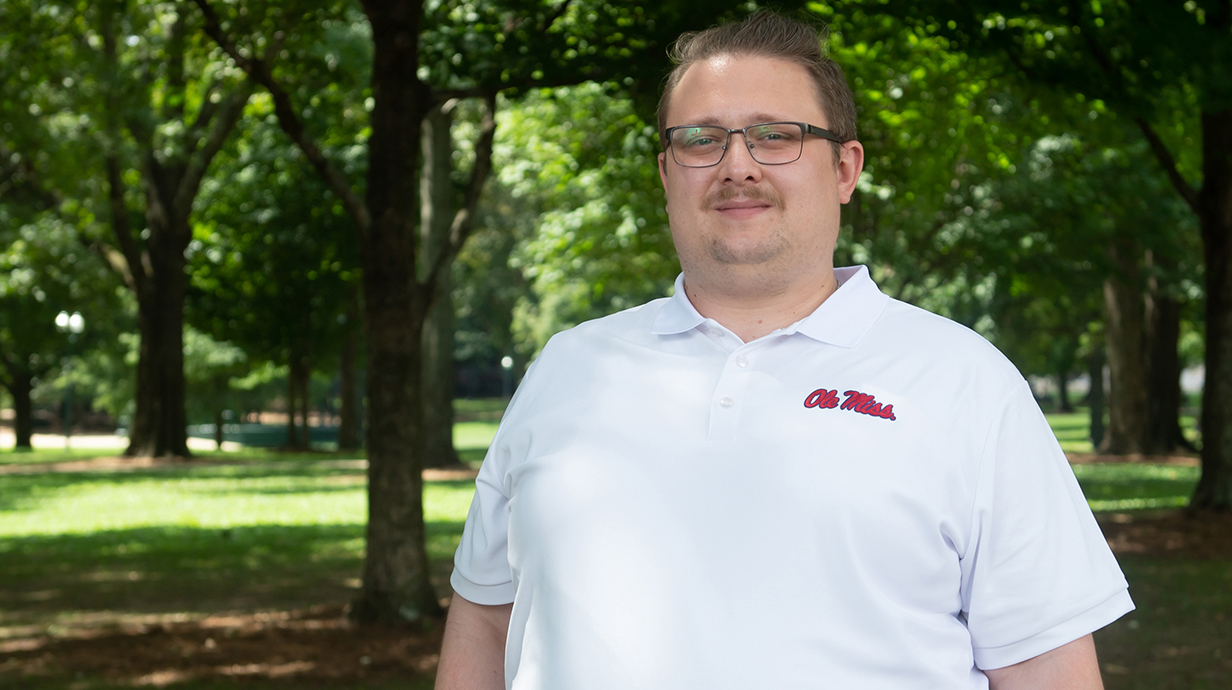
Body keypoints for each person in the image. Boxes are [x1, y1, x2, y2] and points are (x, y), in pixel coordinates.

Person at [436, 11, 1132, 690]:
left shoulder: (965, 382)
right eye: (701, 139)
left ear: (845, 169)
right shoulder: (567, 369)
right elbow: (485, 624)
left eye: (777, 136)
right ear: (666, 172)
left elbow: (1045, 668)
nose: (737, 165)